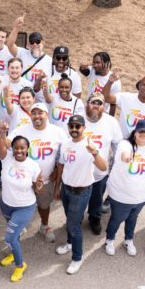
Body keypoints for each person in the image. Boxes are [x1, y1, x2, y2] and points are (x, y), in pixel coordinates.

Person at [55, 115, 107, 274]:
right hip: (66, 189)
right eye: (71, 126)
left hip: (81, 192)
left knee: (73, 224)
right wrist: (58, 187)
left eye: (78, 126)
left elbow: (103, 167)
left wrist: (95, 153)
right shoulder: (65, 144)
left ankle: (77, 258)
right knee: (70, 220)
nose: (74, 129)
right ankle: (70, 243)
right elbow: (61, 165)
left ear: (84, 128)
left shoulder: (90, 145)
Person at [9, 102, 65, 243]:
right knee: (20, 205)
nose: (37, 116)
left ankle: (44, 226)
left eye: (40, 113)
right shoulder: (21, 130)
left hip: (45, 180)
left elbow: (64, 153)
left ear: (47, 114)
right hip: (23, 179)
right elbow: (7, 144)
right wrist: (0, 135)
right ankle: (20, 227)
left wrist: (58, 171)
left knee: (44, 205)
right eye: (34, 113)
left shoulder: (57, 132)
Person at [104, 119, 145, 257]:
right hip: (121, 196)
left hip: (141, 197)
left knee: (133, 218)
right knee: (116, 218)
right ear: (135, 132)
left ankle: (128, 239)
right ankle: (110, 239)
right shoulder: (125, 144)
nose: (144, 134)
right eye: (141, 131)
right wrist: (127, 157)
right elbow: (124, 154)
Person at [0, 132, 43, 282]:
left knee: (9, 236)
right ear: (12, 148)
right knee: (14, 236)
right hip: (6, 205)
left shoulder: (33, 166)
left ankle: (20, 265)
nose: (19, 151)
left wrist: (39, 186)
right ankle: (12, 252)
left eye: (22, 148)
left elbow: (37, 187)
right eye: (16, 148)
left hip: (24, 207)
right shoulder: (6, 158)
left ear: (27, 148)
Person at [82, 94, 123, 235]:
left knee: (96, 198)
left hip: (100, 173)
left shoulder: (111, 122)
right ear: (87, 104)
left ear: (103, 106)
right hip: (79, 173)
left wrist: (115, 167)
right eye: (93, 102)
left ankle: (94, 218)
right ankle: (77, 218)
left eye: (99, 103)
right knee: (78, 200)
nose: (95, 106)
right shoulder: (78, 119)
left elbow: (117, 144)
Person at [102, 71, 145, 140]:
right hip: (122, 142)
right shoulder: (126, 97)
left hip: (141, 144)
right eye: (144, 85)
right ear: (139, 85)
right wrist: (110, 82)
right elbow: (105, 97)